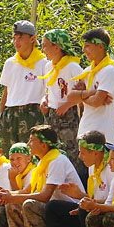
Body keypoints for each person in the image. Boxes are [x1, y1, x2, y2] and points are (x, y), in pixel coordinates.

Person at [0, 125, 84, 227]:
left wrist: (13, 197)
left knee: (30, 204)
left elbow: (44, 196)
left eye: (31, 141)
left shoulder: (57, 161)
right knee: (12, 204)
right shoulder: (42, 163)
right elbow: (27, 190)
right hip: (52, 207)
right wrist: (7, 196)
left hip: (70, 210)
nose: (29, 144)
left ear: (43, 145)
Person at [45, 130, 114, 227]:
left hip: (110, 212)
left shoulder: (112, 168)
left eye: (83, 152)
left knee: (84, 210)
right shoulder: (92, 167)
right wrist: (79, 196)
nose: (79, 156)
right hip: (95, 208)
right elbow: (94, 198)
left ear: (95, 153)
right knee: (53, 207)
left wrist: (85, 201)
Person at [57, 27, 114, 143]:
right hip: (85, 128)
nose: (83, 50)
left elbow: (96, 102)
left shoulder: (109, 71)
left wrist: (82, 96)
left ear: (100, 47)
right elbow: (71, 96)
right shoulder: (87, 71)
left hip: (102, 132)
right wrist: (92, 93)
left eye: (88, 46)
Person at [0, 20, 49, 152]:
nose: (16, 42)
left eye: (20, 37)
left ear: (32, 39)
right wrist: (1, 116)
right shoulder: (10, 63)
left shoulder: (44, 63)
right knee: (8, 154)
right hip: (10, 113)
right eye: (14, 38)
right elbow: (6, 91)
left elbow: (48, 91)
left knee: (31, 153)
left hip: (32, 113)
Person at [39, 29, 85, 175]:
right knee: (52, 149)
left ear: (57, 47)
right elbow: (49, 90)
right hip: (52, 113)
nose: (43, 49)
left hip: (69, 115)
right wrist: (44, 101)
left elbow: (83, 93)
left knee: (70, 149)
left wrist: (67, 105)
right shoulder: (48, 66)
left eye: (45, 45)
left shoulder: (73, 67)